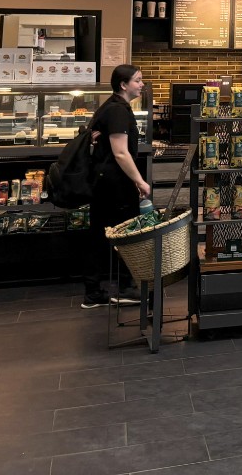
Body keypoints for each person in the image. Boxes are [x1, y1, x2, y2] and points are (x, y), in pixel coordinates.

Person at [81, 65, 151, 309]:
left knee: (100, 235)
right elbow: (121, 153)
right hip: (114, 184)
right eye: (138, 80)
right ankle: (124, 288)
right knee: (126, 234)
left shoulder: (110, 106)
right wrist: (139, 181)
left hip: (103, 182)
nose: (142, 84)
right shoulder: (118, 111)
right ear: (124, 85)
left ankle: (93, 292)